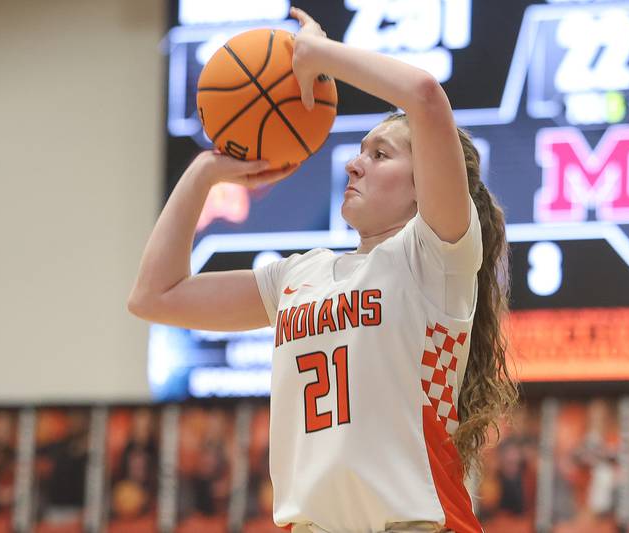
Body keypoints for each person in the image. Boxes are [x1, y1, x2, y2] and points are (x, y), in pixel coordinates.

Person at [128, 6, 518, 532]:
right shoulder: (297, 277)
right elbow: (155, 295)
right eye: (360, 151)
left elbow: (425, 96)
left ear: (424, 181)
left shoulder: (435, 258)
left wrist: (316, 54)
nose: (355, 163)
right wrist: (204, 173)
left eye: (381, 155)